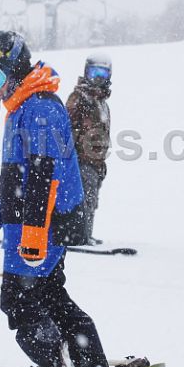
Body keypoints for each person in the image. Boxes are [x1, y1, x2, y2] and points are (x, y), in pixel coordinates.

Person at [0, 31, 110, 367]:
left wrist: (34, 237)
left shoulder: (41, 109)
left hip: (41, 227)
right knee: (48, 296)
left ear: (13, 66)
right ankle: (87, 362)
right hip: (28, 225)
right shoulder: (22, 107)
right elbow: (12, 174)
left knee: (19, 301)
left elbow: (42, 175)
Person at [66, 53, 112, 246]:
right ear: (86, 72)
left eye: (103, 73)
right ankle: (76, 235)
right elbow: (65, 128)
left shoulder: (102, 103)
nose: (98, 78)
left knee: (92, 199)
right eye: (94, 73)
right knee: (82, 198)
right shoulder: (79, 98)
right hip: (79, 160)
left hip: (95, 162)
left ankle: (86, 233)